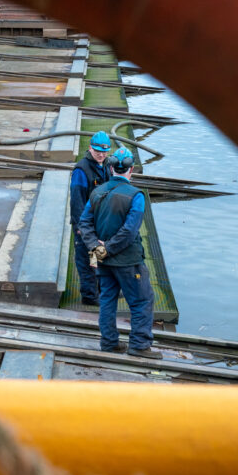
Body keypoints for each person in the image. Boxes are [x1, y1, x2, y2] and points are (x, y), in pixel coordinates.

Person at [78, 147, 162, 359]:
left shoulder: (97, 192)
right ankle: (140, 345)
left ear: (111, 167)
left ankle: (109, 343)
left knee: (107, 299)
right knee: (142, 300)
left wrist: (96, 249)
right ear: (131, 169)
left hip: (102, 259)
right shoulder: (136, 196)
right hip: (128, 261)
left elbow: (84, 224)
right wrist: (108, 249)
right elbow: (129, 231)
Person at [69, 131, 113, 306]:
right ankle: (89, 296)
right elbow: (76, 201)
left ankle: (101, 290)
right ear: (90, 148)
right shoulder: (81, 170)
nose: (101, 155)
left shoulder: (107, 165)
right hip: (84, 223)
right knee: (86, 259)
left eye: (104, 151)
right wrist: (81, 227)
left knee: (100, 256)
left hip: (100, 222)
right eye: (97, 151)